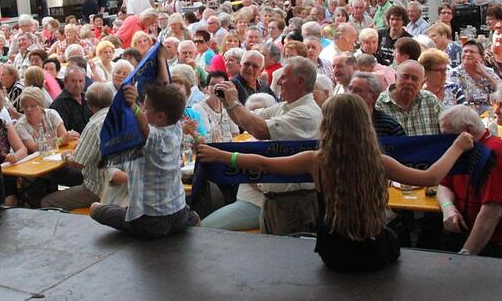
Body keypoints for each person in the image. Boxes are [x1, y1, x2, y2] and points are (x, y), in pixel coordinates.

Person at [197, 94, 474, 271]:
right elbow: (431, 177)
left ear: (327, 124)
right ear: (364, 123)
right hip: (375, 250)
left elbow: (263, 164)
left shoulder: (316, 160)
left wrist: (222, 155)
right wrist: (459, 146)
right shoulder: (380, 162)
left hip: (333, 252)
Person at [204, 57, 322, 234]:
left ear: (300, 81)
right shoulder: (285, 107)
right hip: (274, 201)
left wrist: (234, 103)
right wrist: (229, 103)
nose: (279, 82)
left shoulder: (306, 114)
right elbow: (247, 120)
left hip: (293, 203)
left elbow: (259, 130)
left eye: (284, 77)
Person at [90, 84, 200, 237]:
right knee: (194, 218)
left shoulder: (155, 137)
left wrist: (133, 105)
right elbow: (165, 87)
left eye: (145, 109)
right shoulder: (175, 129)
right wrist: (160, 59)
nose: (142, 110)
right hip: (179, 212)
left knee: (95, 208)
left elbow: (143, 126)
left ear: (161, 115)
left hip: (150, 220)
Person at [438, 105, 502, 257]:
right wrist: (447, 207)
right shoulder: (463, 149)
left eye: (447, 135)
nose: (444, 141)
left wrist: (465, 256)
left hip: (491, 242)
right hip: (463, 229)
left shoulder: (493, 153)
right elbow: (444, 185)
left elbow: (491, 213)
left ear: (468, 131)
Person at [375, 60, 443, 135]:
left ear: (422, 83)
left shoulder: (431, 101)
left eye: (415, 79)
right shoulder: (379, 104)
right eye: (405, 77)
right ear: (396, 78)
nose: (409, 82)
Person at [15, 87, 78, 154]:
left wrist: (69, 136)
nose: (28, 109)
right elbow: (34, 148)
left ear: (42, 106)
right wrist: (60, 141)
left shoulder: (51, 114)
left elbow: (64, 136)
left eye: (33, 106)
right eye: (25, 106)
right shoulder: (20, 125)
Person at [449, 40, 500, 115]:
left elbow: (500, 91)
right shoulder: (455, 73)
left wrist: (487, 76)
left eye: (472, 52)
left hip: (488, 114)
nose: (467, 54)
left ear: (481, 57)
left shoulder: (488, 72)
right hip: (464, 115)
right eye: (465, 51)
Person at [347, 72, 406, 137]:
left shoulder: (389, 127)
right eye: (349, 88)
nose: (350, 94)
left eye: (357, 90)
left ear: (373, 97)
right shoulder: (340, 121)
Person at [193, 71, 240, 143]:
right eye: (212, 84)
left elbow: (236, 134)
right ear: (206, 89)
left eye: (221, 84)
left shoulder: (228, 107)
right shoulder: (198, 108)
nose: (216, 87)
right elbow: (206, 138)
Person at [50, 66, 92, 133]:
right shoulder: (58, 105)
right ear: (65, 82)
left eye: (81, 81)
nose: (77, 85)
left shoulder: (89, 99)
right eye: (73, 81)